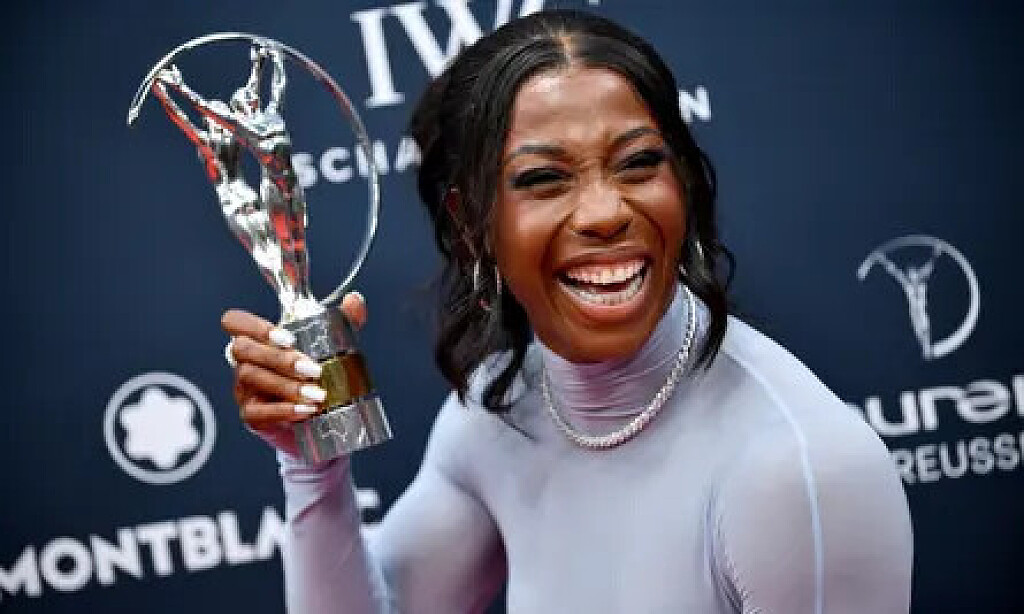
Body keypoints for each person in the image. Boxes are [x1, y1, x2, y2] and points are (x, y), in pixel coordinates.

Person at [222, 10, 913, 613]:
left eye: (638, 164)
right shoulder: (498, 410)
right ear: (469, 222)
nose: (605, 212)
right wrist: (312, 468)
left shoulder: (802, 470)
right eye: (544, 179)